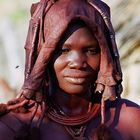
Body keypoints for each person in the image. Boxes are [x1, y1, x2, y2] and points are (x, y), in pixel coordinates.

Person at [0, 0, 140, 140]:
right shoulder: (13, 126)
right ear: (42, 57)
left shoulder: (130, 120)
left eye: (91, 50)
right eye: (63, 51)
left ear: (105, 55)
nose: (78, 63)